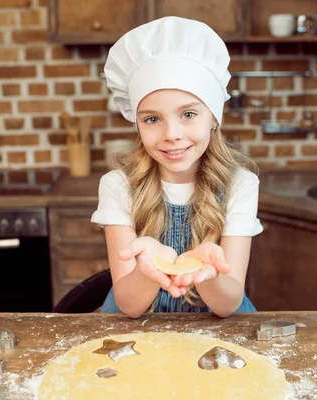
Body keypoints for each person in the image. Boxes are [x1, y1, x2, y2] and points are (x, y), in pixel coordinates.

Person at [91, 16, 263, 318]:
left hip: (216, 328)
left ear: (213, 117)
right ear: (137, 123)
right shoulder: (118, 186)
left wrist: (207, 275)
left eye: (188, 114)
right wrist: (146, 271)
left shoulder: (240, 184)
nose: (171, 134)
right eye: (152, 119)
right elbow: (129, 306)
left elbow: (228, 304)